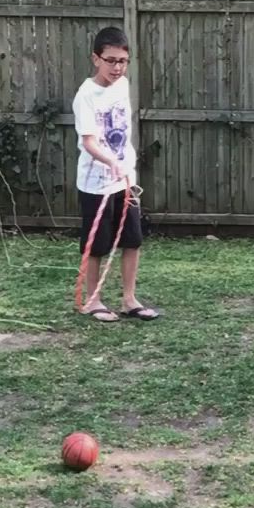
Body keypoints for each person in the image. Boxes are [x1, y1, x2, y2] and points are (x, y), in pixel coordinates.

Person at [72, 26, 158, 322]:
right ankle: (93, 300)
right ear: (96, 59)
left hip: (125, 180)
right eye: (110, 60)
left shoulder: (122, 86)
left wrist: (124, 165)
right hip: (96, 184)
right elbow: (89, 141)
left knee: (133, 240)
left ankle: (129, 299)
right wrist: (110, 161)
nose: (117, 67)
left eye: (122, 60)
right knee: (97, 245)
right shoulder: (86, 95)